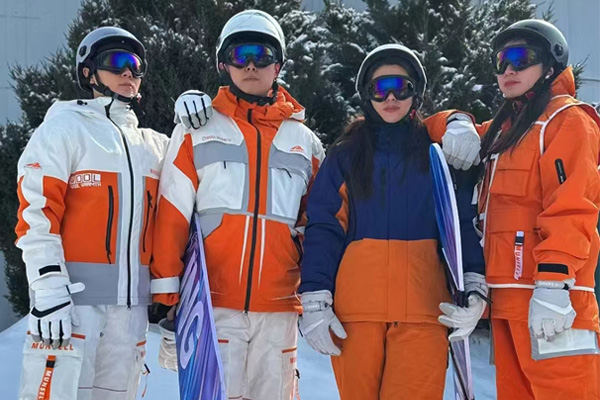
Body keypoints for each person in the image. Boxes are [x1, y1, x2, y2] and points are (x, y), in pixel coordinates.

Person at [150, 9, 325, 400]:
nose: (250, 65)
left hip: (279, 308)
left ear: (278, 65)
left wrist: (316, 290)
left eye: (262, 54)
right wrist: (167, 298)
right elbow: (172, 215)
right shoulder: (197, 130)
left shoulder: (306, 143)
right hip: (213, 305)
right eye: (239, 54)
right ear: (223, 63)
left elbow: (318, 224)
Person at [297, 43, 486, 400]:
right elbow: (325, 226)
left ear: (416, 94)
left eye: (401, 87)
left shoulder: (436, 153)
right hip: (356, 315)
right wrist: (315, 296)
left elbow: (460, 222)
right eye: (380, 88)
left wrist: (475, 284)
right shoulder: (346, 155)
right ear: (366, 95)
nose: (391, 98)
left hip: (424, 312)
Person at [442, 19, 600, 399]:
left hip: (555, 301)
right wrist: (456, 120)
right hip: (507, 301)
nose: (508, 69)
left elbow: (573, 208)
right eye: (501, 61)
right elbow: (425, 129)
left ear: (549, 65)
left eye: (520, 57)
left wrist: (553, 285)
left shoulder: (567, 121)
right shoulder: (505, 131)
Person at [15, 26, 169, 400]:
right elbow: (37, 214)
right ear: (89, 73)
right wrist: (48, 288)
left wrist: (200, 114)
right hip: (70, 310)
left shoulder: (154, 147)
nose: (128, 72)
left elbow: (197, 186)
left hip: (129, 319)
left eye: (136, 65)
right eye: (116, 62)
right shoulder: (64, 129)